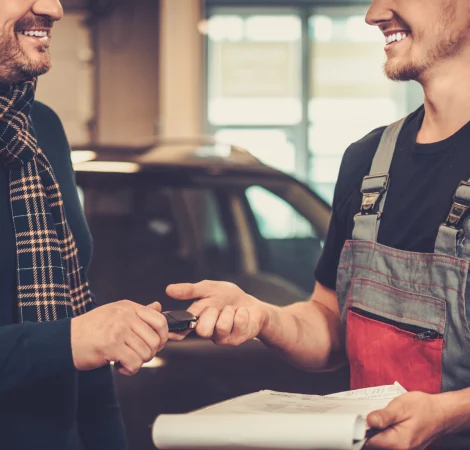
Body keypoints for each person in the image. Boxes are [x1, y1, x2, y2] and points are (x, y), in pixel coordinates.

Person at [167, 1, 470, 448]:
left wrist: (448, 413)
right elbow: (330, 326)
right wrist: (263, 316)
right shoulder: (366, 162)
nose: (374, 14)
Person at [0, 1, 169, 449]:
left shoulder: (40, 127)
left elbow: (76, 311)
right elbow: (76, 336)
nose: (54, 9)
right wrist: (71, 340)